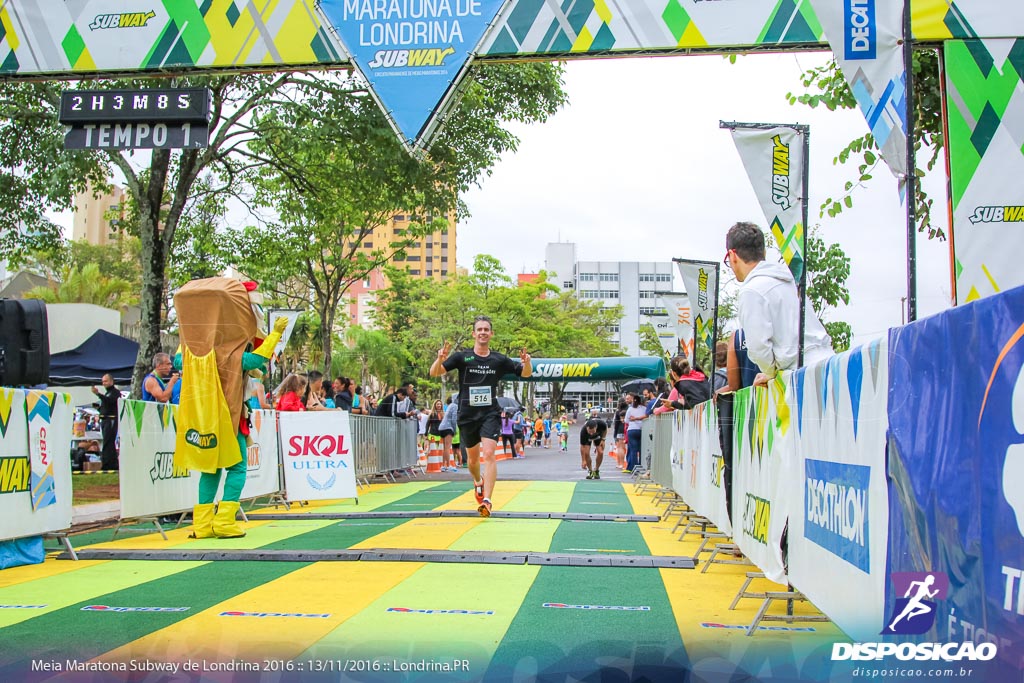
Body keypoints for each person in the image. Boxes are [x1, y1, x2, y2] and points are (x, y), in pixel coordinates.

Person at [429, 315, 532, 517]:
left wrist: (526, 363)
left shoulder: (499, 360)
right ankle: (478, 481)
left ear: (491, 334)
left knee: (489, 455)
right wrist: (440, 358)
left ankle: (487, 500)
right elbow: (434, 372)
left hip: (490, 414)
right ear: (474, 334)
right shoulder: (462, 357)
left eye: (487, 329)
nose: (483, 332)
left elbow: (525, 374)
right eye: (480, 329)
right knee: (474, 462)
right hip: (467, 416)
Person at [725, 221, 832, 386]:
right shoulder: (787, 281)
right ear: (763, 251)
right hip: (829, 363)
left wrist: (769, 372)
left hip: (801, 376)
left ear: (733, 255)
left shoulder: (752, 290)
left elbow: (758, 348)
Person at [91, 373, 120, 471]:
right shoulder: (108, 393)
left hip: (110, 419)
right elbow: (107, 406)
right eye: (102, 381)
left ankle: (109, 464)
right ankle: (109, 463)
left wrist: (98, 394)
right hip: (105, 419)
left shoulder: (115, 392)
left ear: (111, 381)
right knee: (107, 442)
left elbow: (110, 401)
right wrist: (99, 408)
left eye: (106, 381)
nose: (104, 383)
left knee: (109, 442)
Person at [623, 393, 648, 472]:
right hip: (642, 430)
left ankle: (634, 467)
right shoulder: (644, 408)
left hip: (632, 430)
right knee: (641, 450)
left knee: (633, 450)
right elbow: (647, 417)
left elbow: (626, 420)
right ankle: (641, 466)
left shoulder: (630, 409)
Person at [438, 397, 458, 469]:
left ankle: (443, 465)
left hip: (441, 427)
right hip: (448, 427)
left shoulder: (449, 406)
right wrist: (454, 430)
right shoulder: (455, 406)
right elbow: (454, 419)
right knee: (448, 447)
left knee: (445, 448)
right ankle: (449, 465)